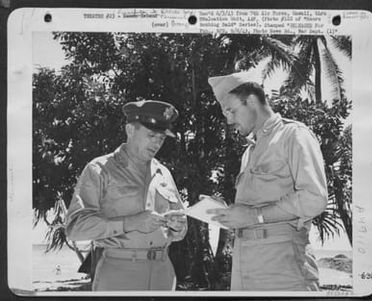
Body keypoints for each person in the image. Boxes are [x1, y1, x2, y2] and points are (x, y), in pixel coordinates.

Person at [207, 70, 328, 291]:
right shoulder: (249, 153)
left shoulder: (293, 135)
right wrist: (229, 214)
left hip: (283, 269)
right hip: (244, 268)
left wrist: (254, 216)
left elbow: (314, 199)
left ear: (252, 100)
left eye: (231, 111)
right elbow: (252, 211)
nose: (229, 120)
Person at [65, 100, 187, 291]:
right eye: (151, 135)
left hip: (163, 273)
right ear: (130, 130)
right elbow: (75, 228)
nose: (157, 143)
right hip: (119, 271)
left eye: (161, 138)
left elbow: (179, 229)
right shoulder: (100, 169)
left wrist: (178, 227)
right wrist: (131, 223)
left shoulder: (164, 173)